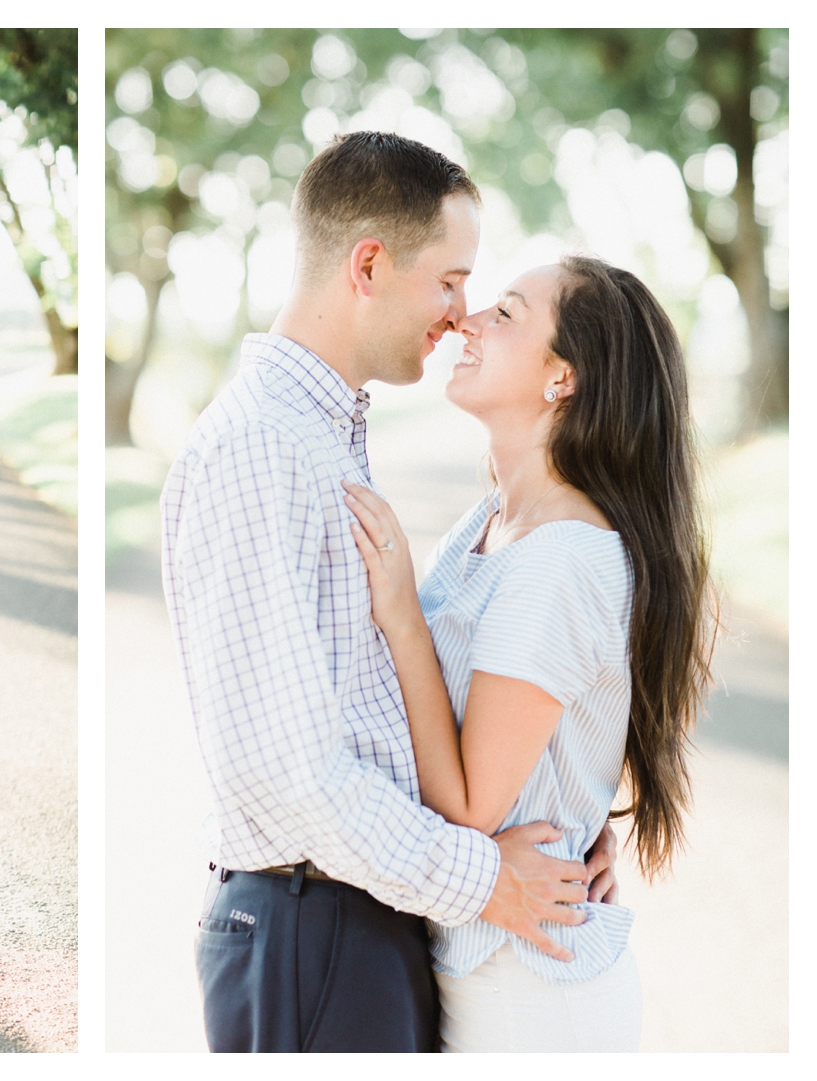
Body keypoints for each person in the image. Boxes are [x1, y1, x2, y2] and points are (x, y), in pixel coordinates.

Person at [161, 131, 618, 1053]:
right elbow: (287, 772)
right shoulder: (263, 445)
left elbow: (512, 660)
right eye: (450, 281)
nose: (459, 315)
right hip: (312, 922)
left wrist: (576, 813)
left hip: (363, 917)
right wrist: (486, 878)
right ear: (369, 263)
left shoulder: (323, 433)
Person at [342, 256, 712, 1051]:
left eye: (506, 314)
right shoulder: (490, 522)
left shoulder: (560, 560)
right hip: (483, 965)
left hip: (530, 994)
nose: (467, 320)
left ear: (563, 380)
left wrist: (403, 614)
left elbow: (472, 806)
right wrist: (577, 816)